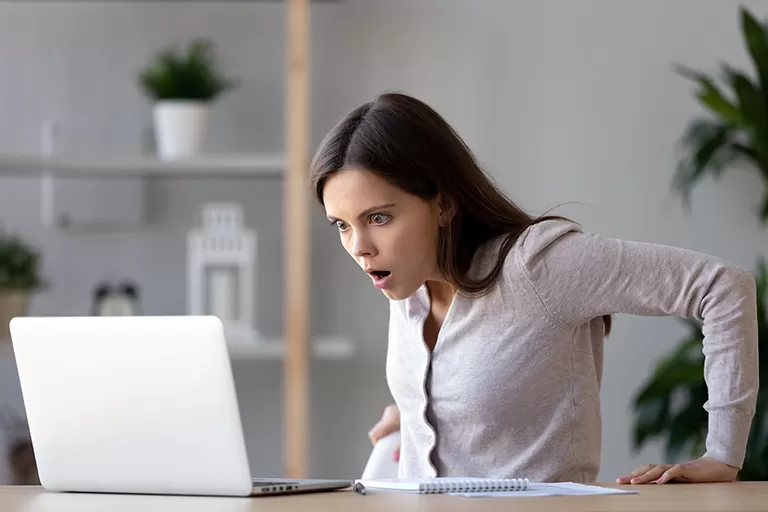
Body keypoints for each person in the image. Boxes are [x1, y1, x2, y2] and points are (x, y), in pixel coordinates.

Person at [309, 92, 759, 485]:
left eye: (379, 218)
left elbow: (723, 287)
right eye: (342, 225)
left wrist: (723, 452)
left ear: (443, 203)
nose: (359, 248)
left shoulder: (537, 265)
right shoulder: (409, 282)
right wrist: (416, 413)